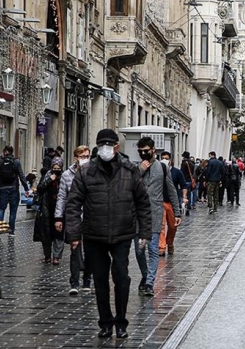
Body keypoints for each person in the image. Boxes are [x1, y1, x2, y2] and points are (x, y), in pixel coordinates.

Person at [65, 129, 154, 339]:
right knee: (100, 279)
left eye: (109, 144)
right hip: (94, 234)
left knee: (122, 277)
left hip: (122, 233)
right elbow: (73, 204)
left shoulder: (129, 170)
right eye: (101, 144)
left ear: (116, 147)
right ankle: (105, 322)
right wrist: (74, 235)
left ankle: (121, 321)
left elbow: (143, 203)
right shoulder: (86, 171)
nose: (105, 148)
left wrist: (144, 232)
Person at [132, 137, 177, 295]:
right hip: (138, 215)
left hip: (156, 213)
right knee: (139, 251)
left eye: (146, 151)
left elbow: (171, 190)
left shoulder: (163, 168)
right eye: (140, 151)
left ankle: (150, 282)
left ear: (153, 150)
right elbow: (129, 185)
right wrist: (140, 170)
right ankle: (145, 275)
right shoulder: (135, 168)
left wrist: (177, 211)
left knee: (152, 249)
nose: (143, 153)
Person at [54, 146, 93, 295]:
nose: (86, 159)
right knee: (75, 248)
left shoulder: (93, 173)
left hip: (90, 217)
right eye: (83, 156)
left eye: (87, 156)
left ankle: (87, 280)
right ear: (76, 158)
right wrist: (58, 217)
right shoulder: (66, 175)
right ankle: (74, 282)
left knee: (90, 250)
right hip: (73, 216)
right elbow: (62, 197)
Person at [0, 145, 30, 236]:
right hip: (13, 188)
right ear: (12, 152)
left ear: (5, 151)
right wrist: (26, 189)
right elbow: (21, 176)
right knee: (13, 210)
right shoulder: (16, 162)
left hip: (3, 188)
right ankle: (11, 231)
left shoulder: (0, 161)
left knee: (1, 209)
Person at [158, 150, 186, 258]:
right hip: (160, 202)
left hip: (171, 202)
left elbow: (180, 187)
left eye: (167, 158)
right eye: (163, 158)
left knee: (172, 226)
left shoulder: (176, 172)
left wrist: (183, 198)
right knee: (161, 226)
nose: (165, 160)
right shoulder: (157, 172)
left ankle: (169, 243)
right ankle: (161, 247)